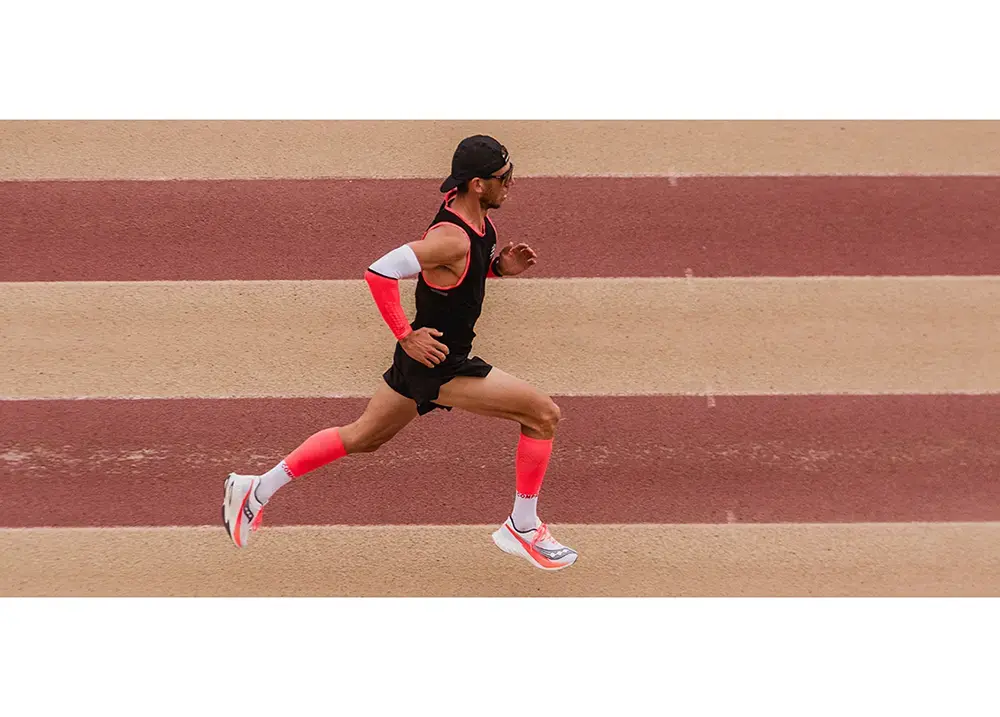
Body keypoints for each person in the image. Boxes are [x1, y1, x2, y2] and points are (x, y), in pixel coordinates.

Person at [222, 135, 577, 571]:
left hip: (422, 362)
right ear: (478, 184)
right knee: (543, 415)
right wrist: (406, 334)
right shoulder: (452, 239)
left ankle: (255, 489)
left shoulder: (476, 222)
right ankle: (522, 527)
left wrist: (498, 268)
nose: (512, 183)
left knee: (363, 437)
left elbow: (454, 278)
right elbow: (380, 271)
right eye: (505, 177)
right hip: (440, 364)